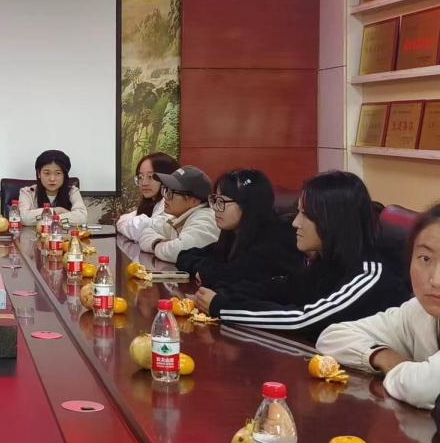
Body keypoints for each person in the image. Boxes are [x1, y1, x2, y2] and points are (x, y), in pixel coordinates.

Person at [193, 171, 409, 342]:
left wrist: (222, 307)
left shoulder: (368, 274)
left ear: (332, 221)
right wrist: (226, 294)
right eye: (298, 212)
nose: (295, 223)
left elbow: (303, 319)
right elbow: (282, 289)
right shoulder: (326, 262)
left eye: (306, 214)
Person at [317, 204, 440, 410]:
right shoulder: (418, 312)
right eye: (425, 259)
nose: (436, 280)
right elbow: (332, 337)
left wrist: (403, 372)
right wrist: (383, 356)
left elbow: (422, 389)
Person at [176, 169, 304, 289]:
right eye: (215, 200)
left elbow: (232, 277)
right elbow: (185, 256)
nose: (215, 207)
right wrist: (204, 270)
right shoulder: (234, 232)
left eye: (222, 201)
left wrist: (206, 271)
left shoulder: (275, 238)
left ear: (248, 205)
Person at [137, 166, 219, 264]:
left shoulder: (206, 219)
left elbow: (179, 252)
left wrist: (156, 245)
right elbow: (145, 232)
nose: (165, 197)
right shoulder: (178, 218)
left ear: (193, 201)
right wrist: (159, 243)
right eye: (165, 190)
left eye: (171, 193)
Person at [117, 152, 180, 241]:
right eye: (140, 177)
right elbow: (122, 220)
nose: (144, 183)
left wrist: (138, 223)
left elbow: (140, 231)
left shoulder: (172, 202)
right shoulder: (151, 203)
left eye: (150, 177)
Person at [18, 150, 88, 226]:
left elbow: (82, 218)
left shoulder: (72, 191)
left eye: (58, 173)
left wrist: (52, 218)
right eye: (47, 173)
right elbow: (24, 219)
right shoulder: (28, 192)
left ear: (64, 175)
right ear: (39, 174)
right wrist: (55, 211)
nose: (52, 179)